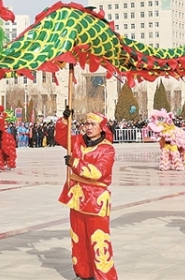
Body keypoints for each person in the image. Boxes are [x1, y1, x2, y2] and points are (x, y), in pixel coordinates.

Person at [55, 108, 118, 280]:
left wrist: (74, 163)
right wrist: (64, 121)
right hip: (76, 197)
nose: (88, 127)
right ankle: (84, 272)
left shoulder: (107, 149)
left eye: (92, 124)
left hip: (95, 200)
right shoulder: (77, 142)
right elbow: (61, 137)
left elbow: (98, 172)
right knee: (78, 239)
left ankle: (105, 276)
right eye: (86, 124)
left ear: (101, 127)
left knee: (99, 241)